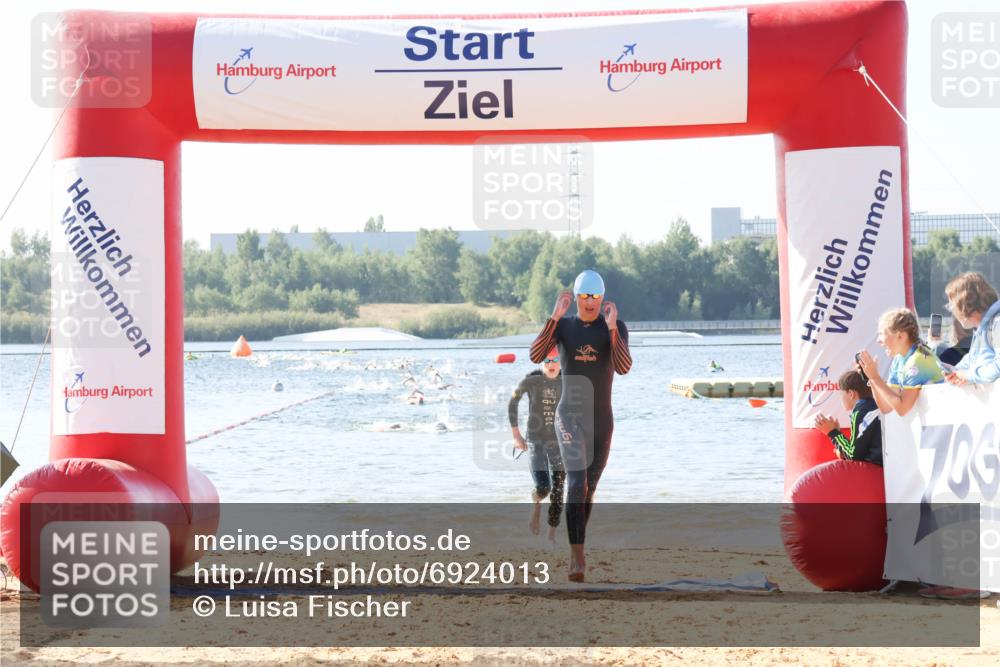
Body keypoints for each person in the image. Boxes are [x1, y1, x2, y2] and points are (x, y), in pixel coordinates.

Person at [529, 269, 632, 582]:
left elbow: (623, 367)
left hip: (602, 422)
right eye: (584, 297)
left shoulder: (614, 327)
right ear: (576, 299)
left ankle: (577, 547)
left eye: (595, 297)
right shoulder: (565, 327)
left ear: (602, 299)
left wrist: (613, 329)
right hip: (569, 417)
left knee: (588, 492)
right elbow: (535, 355)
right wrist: (553, 318)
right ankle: (577, 560)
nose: (590, 302)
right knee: (576, 484)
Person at [509, 347, 564, 541]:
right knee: (543, 488)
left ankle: (551, 536)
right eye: (547, 360)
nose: (551, 364)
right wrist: (516, 436)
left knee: (558, 491)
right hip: (535, 441)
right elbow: (513, 403)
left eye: (556, 360)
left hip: (559, 443)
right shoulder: (532, 379)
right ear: (541, 362)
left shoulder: (567, 380)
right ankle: (536, 504)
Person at [856, 308, 944, 417]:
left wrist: (875, 378)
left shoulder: (918, 361)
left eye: (882, 334)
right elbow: (886, 408)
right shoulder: (898, 359)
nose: (878, 340)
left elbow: (902, 409)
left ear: (900, 336)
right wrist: (871, 378)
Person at [813, 370, 882, 466]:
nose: (840, 399)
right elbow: (859, 450)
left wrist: (832, 432)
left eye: (841, 395)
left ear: (850, 394)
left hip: (878, 469)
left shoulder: (860, 412)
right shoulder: (873, 405)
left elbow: (853, 454)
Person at [942, 272, 1000, 386]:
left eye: (951, 306)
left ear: (965, 304)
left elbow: (998, 367)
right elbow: (972, 359)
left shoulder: (997, 323)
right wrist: (955, 371)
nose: (952, 311)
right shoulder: (983, 328)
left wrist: (968, 376)